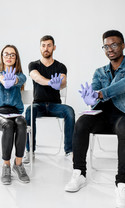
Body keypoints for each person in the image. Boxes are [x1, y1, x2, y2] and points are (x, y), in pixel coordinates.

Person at [64, 30, 125, 208]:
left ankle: (122, 184)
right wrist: (90, 98)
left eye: (114, 44)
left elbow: (124, 86)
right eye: (106, 46)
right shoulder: (99, 72)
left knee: (124, 128)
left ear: (123, 45)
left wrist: (100, 93)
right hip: (102, 117)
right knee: (82, 121)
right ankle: (79, 173)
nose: (110, 49)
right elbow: (93, 92)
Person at [24, 35, 75, 163]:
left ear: (54, 47)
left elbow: (63, 82)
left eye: (49, 45)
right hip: (38, 105)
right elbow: (36, 77)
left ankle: (69, 151)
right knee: (29, 111)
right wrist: (52, 83)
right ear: (40, 48)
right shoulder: (33, 64)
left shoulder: (60, 66)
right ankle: (30, 151)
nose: (46, 48)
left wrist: (60, 84)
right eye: (43, 45)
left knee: (69, 111)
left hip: (55, 106)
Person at [0, 45, 30, 185]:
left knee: (21, 123)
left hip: (14, 113)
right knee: (8, 124)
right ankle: (6, 165)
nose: (9, 57)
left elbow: (20, 80)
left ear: (16, 58)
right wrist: (3, 80)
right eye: (6, 54)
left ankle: (18, 164)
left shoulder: (21, 76)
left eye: (12, 55)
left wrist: (14, 81)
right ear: (2, 57)